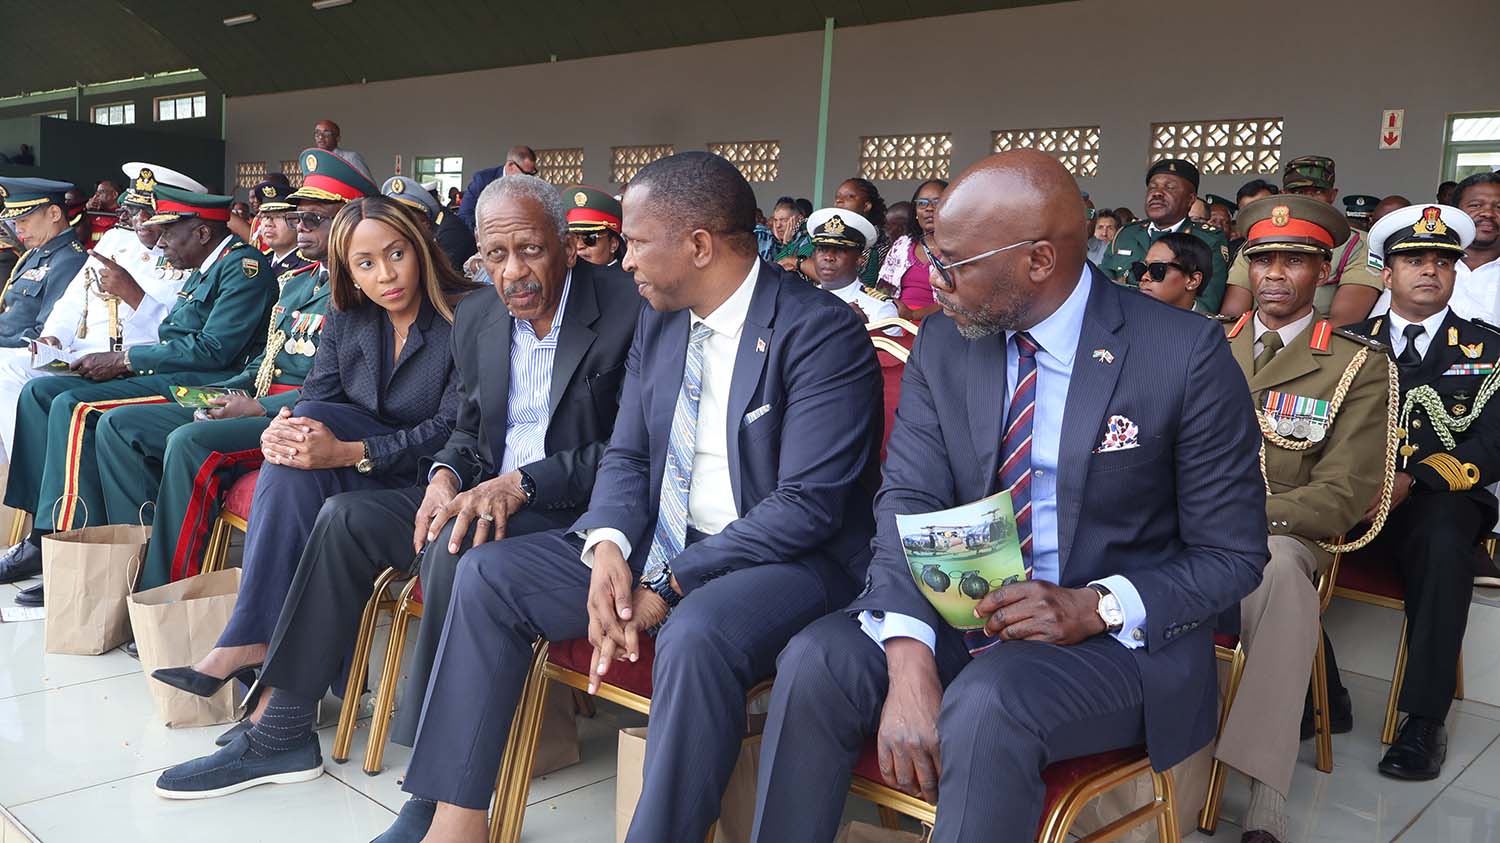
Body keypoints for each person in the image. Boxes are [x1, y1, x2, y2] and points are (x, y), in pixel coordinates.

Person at [362, 151, 882, 843]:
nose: (619, 257)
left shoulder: (819, 331)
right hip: (666, 542)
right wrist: (606, 544)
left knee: (697, 632)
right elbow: (631, 455)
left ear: (697, 245)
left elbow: (808, 506)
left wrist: (668, 580)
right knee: (488, 575)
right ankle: (456, 820)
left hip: (787, 561)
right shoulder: (662, 321)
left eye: (634, 241)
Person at [750, 149, 1267, 843]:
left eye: (955, 263)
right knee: (816, 659)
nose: (934, 282)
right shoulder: (947, 341)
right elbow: (910, 496)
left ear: (1039, 261)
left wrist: (1095, 604)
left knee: (990, 704)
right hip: (968, 606)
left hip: (1113, 642)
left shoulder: (1183, 354)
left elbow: (1231, 555)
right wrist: (907, 659)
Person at [153, 176, 642, 804]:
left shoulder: (628, 309)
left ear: (568, 246)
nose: (513, 272)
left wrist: (518, 483)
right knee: (342, 519)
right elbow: (467, 431)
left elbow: (632, 447)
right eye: (496, 255)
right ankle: (283, 728)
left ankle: (434, 790)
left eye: (531, 250)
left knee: (453, 546)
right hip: (475, 490)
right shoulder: (482, 314)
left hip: (565, 505)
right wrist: (444, 476)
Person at [146, 192, 470, 717]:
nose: (386, 275)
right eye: (366, 263)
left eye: (396, 254)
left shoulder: (465, 315)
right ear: (350, 271)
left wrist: (349, 452)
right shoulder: (351, 314)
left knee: (314, 447)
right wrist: (282, 428)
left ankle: (258, 651)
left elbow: (456, 429)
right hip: (356, 470)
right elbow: (319, 394)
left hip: (429, 473)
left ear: (422, 249)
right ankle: (270, 663)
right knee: (297, 443)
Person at [96, 152, 381, 591]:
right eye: (298, 217)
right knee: (121, 423)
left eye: (313, 220)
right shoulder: (302, 282)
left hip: (301, 415)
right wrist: (219, 393)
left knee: (191, 442)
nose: (300, 227)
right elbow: (263, 362)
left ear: (352, 222)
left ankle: (167, 589)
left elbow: (340, 390)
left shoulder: (366, 291)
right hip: (258, 398)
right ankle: (127, 563)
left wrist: (257, 408)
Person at [1214, 195, 1395, 843]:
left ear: (1323, 272)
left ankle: (1265, 790)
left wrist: (1235, 519)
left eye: (1295, 260)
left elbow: (1345, 491)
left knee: (1282, 573)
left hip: (1279, 537)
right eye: (1263, 260)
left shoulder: (1356, 365)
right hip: (1184, 533)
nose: (1275, 274)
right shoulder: (1208, 341)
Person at [0, 185, 276, 599]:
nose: (159, 240)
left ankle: (79, 539)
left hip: (206, 383)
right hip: (174, 368)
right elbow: (174, 333)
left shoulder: (243, 268)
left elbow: (215, 351)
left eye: (170, 231)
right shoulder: (207, 266)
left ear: (202, 233)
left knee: (75, 408)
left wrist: (127, 360)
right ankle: (44, 530)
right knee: (41, 394)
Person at [1346, 203, 1494, 781]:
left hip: (1440, 502)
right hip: (1353, 499)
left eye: (1442, 261)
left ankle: (1423, 721)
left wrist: (1417, 478)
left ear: (1455, 272)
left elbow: (1494, 445)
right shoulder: (1346, 345)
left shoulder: (1488, 350)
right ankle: (1323, 688)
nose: (1429, 270)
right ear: (1386, 273)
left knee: (1441, 538)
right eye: (1413, 260)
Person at [0, 163, 200, 460]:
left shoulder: (189, 254)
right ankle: (29, 467)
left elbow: (177, 337)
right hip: (78, 352)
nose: (140, 222)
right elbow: (72, 300)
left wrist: (134, 295)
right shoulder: (116, 240)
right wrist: (53, 337)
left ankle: (37, 471)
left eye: (151, 213)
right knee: (9, 366)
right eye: (134, 212)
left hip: (129, 361)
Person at [1220, 156, 1383, 324]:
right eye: (1298, 192)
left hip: (1320, 345)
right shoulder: (1257, 240)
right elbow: (1233, 315)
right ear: (1284, 194)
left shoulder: (1359, 244)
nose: (1308, 198)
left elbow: (1343, 323)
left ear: (1332, 195)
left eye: (1318, 191)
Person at [1100, 159, 1231, 313]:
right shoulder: (1126, 234)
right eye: (1152, 187)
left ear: (1190, 199)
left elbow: (1206, 306)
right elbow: (1102, 287)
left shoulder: (1209, 240)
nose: (1157, 193)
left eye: (1170, 187)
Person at [0, 178, 87, 349]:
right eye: (16, 222)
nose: (18, 229)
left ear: (54, 214)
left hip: (23, 353)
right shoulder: (34, 252)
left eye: (24, 220)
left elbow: (46, 332)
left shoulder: (70, 260)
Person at [805, 207, 898, 331]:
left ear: (860, 259)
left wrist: (864, 330)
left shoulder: (880, 308)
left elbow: (887, 350)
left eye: (840, 251)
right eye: (822, 249)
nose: (828, 257)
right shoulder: (802, 300)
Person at [877, 179, 948, 321]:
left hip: (940, 323)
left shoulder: (959, 248)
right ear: (915, 211)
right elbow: (883, 290)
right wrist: (890, 309)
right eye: (922, 203)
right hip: (897, 321)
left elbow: (958, 300)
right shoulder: (902, 245)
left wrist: (914, 315)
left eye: (936, 202)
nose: (929, 208)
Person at [382, 176, 475, 274]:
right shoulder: (435, 227)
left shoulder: (449, 232)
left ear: (424, 221)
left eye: (406, 218)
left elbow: (444, 277)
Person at [457, 145, 538, 231]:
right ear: (510, 165)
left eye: (532, 174)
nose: (528, 180)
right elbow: (465, 214)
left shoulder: (530, 186)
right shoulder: (483, 180)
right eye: (526, 174)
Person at [1133, 231, 1215, 315]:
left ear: (1193, 281)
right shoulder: (1131, 316)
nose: (1144, 277)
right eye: (1141, 268)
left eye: (1157, 269)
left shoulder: (1211, 327)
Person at [834, 178, 890, 288]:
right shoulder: (832, 234)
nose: (839, 200)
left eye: (850, 196)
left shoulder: (878, 242)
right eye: (837, 197)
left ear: (866, 206)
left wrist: (799, 263)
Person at [250, 179, 308, 278]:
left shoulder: (307, 266)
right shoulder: (261, 260)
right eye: (265, 217)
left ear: (296, 221)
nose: (268, 223)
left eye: (277, 216)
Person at [564, 185, 625, 267]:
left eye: (589, 238)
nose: (579, 246)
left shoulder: (631, 279)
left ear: (613, 244)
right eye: (573, 238)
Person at [772, 196, 815, 279]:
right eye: (776, 220)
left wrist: (787, 245)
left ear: (799, 219)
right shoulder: (786, 240)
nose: (778, 225)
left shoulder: (809, 239)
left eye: (783, 220)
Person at [83, 179, 121, 248]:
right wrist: (87, 210)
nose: (96, 195)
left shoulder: (122, 215)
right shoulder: (93, 211)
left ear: (114, 195)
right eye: (96, 192)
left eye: (101, 192)